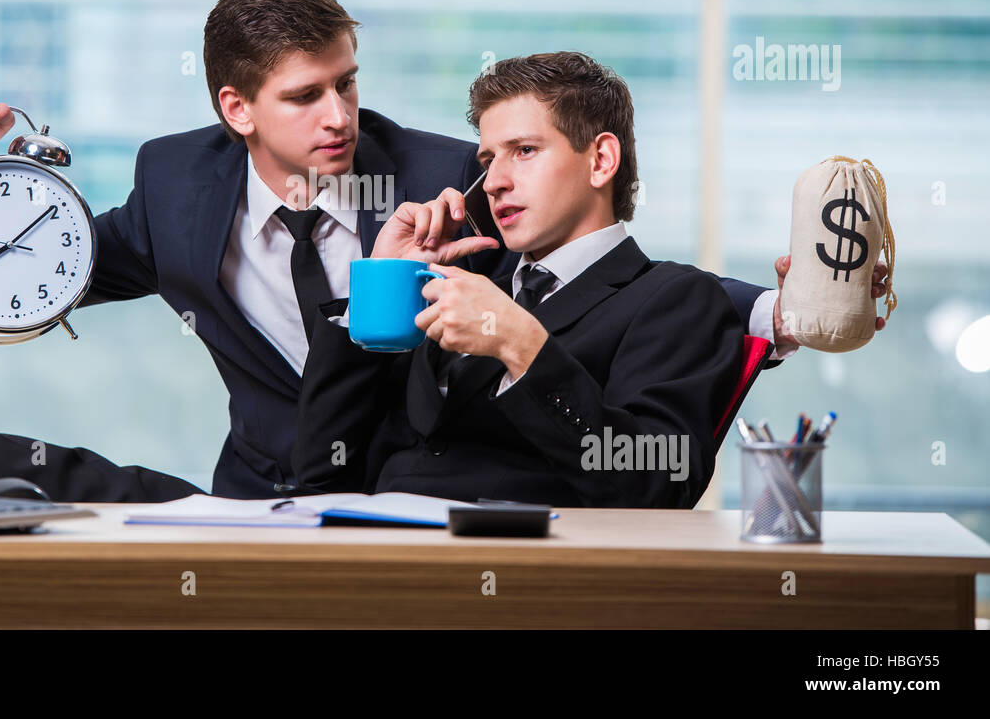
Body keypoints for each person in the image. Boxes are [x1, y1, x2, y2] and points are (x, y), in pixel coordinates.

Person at [0, 0, 870, 502]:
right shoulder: (175, 189)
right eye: (306, 95)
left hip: (408, 510)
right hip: (263, 498)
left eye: (348, 83)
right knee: (45, 481)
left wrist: (785, 311)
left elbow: (620, 285)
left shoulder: (449, 180)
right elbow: (34, 274)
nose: (338, 118)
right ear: (236, 110)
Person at [291, 53, 870, 507]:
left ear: (601, 161)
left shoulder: (675, 300)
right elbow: (319, 469)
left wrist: (522, 346)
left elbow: (655, 485)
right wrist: (382, 283)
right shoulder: (459, 278)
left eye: (524, 151)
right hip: (375, 569)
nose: (493, 181)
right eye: (489, 159)